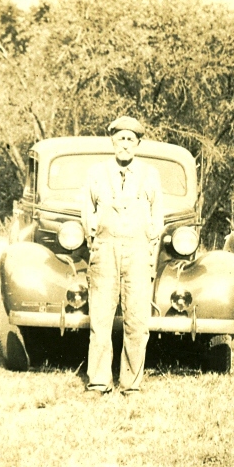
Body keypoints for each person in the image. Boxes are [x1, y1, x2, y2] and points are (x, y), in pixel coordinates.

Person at [81, 115, 163, 396]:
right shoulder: (96, 172)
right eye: (120, 139)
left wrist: (147, 243)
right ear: (112, 141)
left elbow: (158, 216)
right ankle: (99, 382)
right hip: (105, 251)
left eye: (130, 139)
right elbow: (86, 211)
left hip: (138, 252)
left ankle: (131, 384)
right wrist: (98, 239)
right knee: (101, 318)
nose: (125, 144)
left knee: (137, 319)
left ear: (138, 144)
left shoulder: (150, 175)